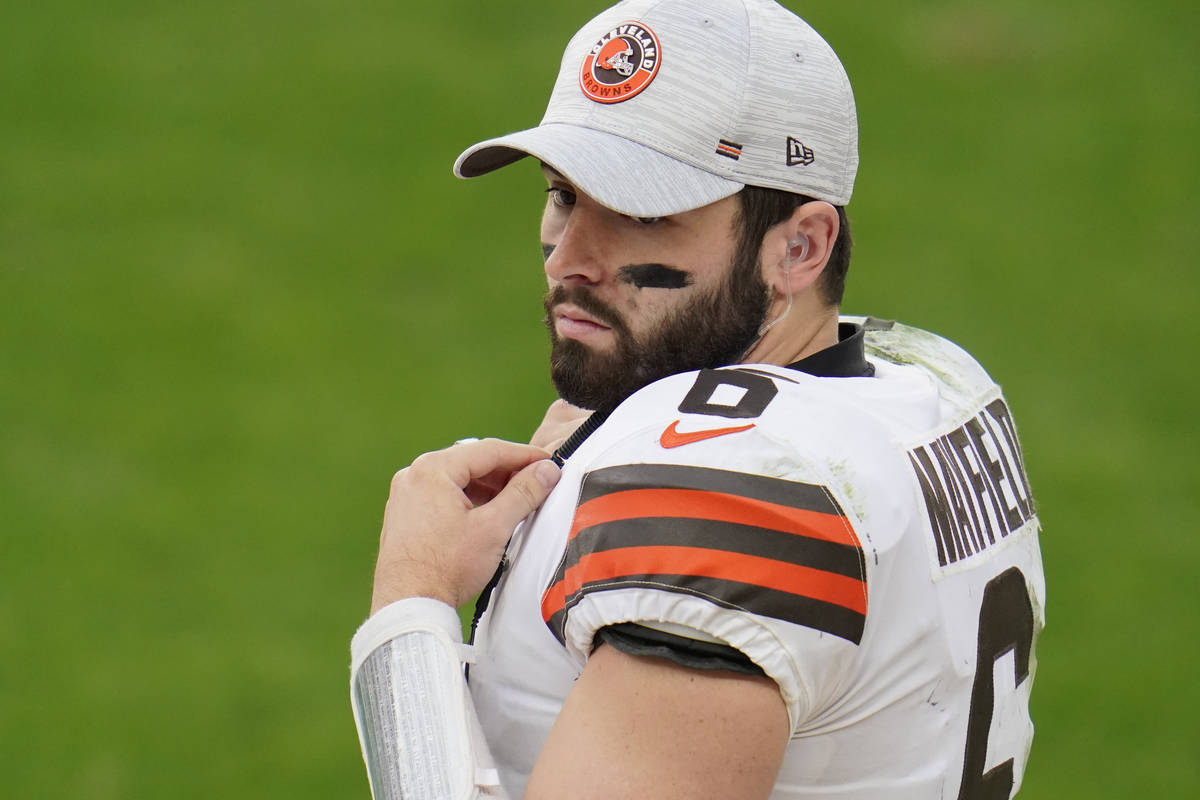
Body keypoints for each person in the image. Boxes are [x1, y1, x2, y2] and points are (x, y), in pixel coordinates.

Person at [349, 0, 1046, 798]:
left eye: (644, 215)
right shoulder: (928, 379)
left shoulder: (725, 495)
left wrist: (411, 600)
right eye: (563, 196)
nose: (568, 259)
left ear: (800, 246)